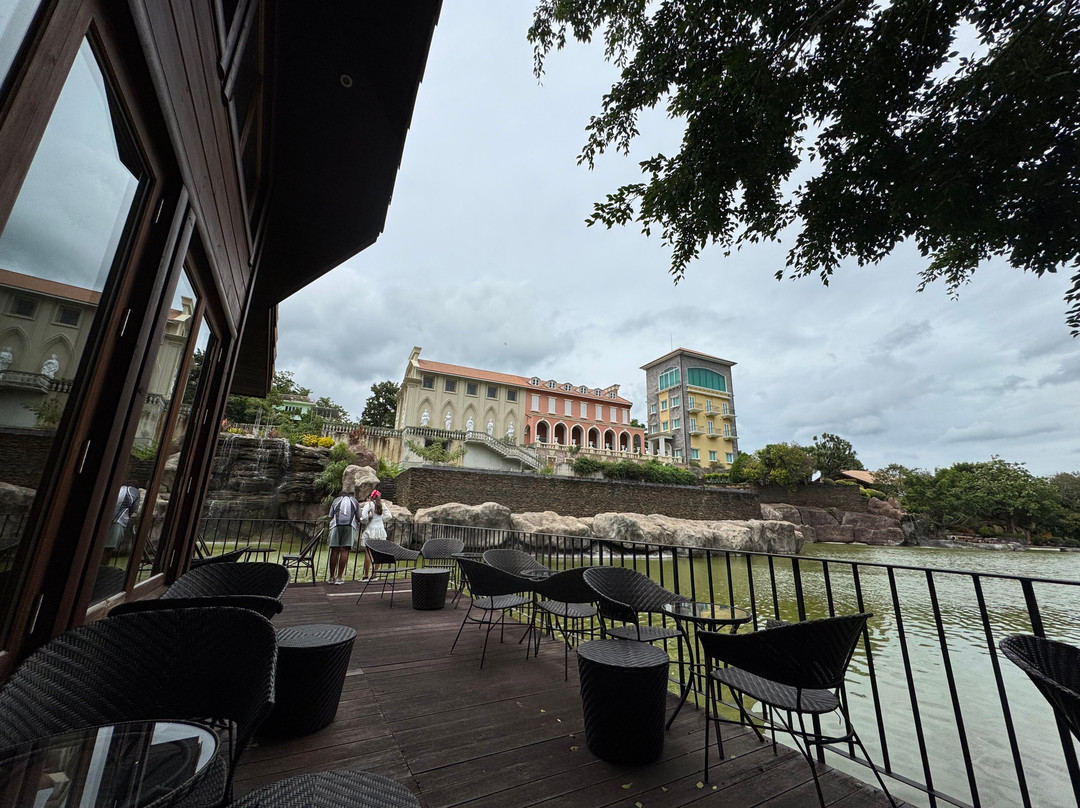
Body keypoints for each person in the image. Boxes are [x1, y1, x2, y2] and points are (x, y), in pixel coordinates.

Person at [327, 488, 360, 584]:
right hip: (350, 526)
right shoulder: (354, 501)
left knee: (334, 550)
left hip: (336, 526)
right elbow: (359, 516)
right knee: (344, 550)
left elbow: (331, 516)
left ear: (340, 495)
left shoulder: (336, 500)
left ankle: (331, 577)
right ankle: (339, 578)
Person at [359, 489, 393, 580]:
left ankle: (366, 575)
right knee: (377, 553)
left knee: (368, 553)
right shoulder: (382, 505)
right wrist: (381, 520)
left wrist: (367, 521)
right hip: (380, 529)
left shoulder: (369, 504)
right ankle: (375, 574)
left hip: (371, 528)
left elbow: (363, 516)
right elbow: (389, 516)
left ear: (371, 497)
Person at [106, 482, 140, 559]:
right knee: (109, 548)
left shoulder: (118, 487)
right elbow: (133, 509)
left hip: (105, 518)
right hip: (118, 521)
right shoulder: (135, 491)